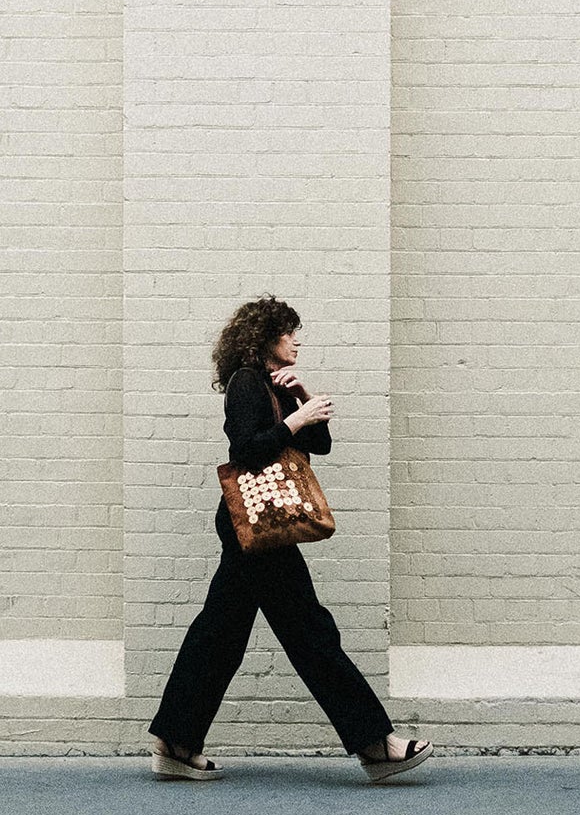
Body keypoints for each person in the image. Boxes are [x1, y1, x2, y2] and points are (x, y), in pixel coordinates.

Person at [147, 295, 433, 784]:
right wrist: (295, 420)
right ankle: (375, 743)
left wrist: (301, 399)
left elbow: (318, 445)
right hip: (256, 527)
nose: (297, 340)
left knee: (220, 633)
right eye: (289, 333)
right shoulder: (245, 384)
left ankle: (176, 739)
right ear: (265, 340)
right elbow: (245, 449)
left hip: (261, 526)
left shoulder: (275, 386)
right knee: (310, 633)